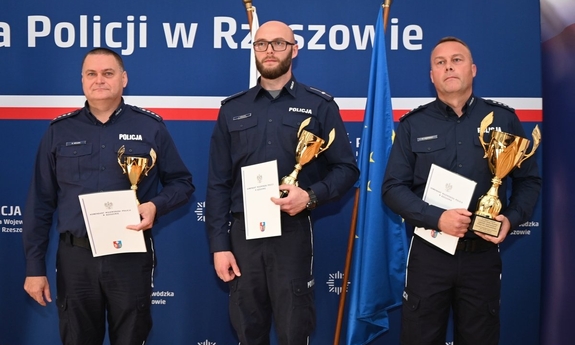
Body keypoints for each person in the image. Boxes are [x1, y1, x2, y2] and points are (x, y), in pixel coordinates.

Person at [22, 47, 194, 345]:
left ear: (123, 78)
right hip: (76, 258)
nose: (99, 80)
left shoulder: (150, 127)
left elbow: (182, 183)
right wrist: (34, 269)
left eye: (108, 73)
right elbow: (39, 204)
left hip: (129, 255)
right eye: (91, 74)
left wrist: (155, 205)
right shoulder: (58, 131)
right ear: (82, 80)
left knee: (130, 338)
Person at [206, 21, 359, 344]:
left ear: (294, 49)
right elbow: (218, 183)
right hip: (243, 234)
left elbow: (347, 169)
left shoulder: (320, 106)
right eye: (261, 44)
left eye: (278, 43)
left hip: (292, 232)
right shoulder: (232, 110)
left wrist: (311, 196)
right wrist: (220, 246)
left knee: (294, 328)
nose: (269, 51)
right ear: (254, 51)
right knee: (248, 330)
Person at [382, 36, 542, 345]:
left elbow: (529, 181)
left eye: (456, 60)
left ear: (473, 69)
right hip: (430, 254)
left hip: (481, 256)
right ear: (432, 76)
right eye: (440, 63)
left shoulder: (504, 119)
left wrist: (509, 219)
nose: (448, 67)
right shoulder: (412, 125)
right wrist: (436, 218)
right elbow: (392, 188)